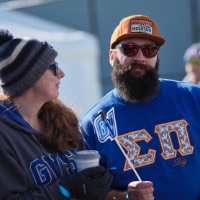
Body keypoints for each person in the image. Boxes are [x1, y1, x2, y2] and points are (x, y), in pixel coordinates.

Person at [80, 14, 200, 200]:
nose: (140, 57)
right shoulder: (93, 124)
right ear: (112, 57)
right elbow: (89, 192)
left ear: (156, 56)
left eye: (149, 50)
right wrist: (124, 197)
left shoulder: (193, 97)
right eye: (129, 49)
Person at [0, 29, 112, 200]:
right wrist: (64, 189)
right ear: (30, 76)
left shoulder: (65, 121)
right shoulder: (4, 135)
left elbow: (86, 188)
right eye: (53, 67)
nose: (61, 74)